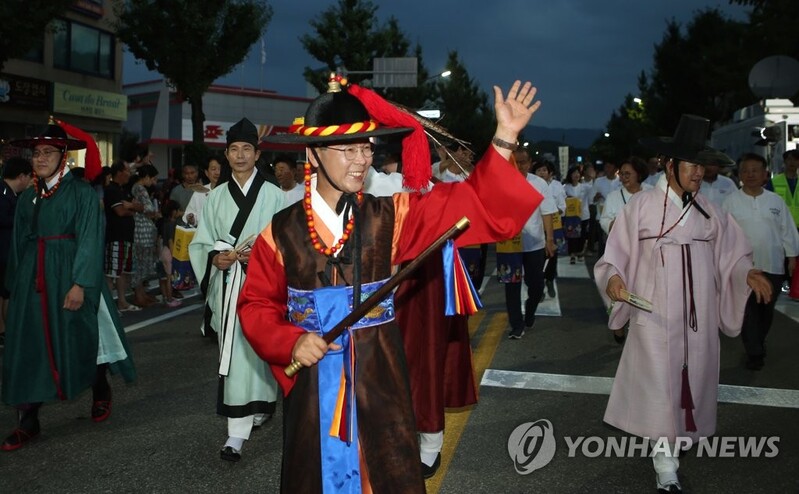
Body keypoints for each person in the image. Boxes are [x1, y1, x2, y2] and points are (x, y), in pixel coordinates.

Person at [237, 75, 542, 493]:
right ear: (313, 154)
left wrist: (504, 138)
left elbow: (471, 204)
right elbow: (255, 306)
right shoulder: (279, 232)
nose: (362, 159)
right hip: (313, 384)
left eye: (367, 147)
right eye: (349, 149)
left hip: (381, 379)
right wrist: (289, 341)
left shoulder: (392, 215)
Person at [594, 114, 772, 494]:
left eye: (701, 166)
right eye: (692, 165)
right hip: (655, 315)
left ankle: (676, 444)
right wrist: (612, 279)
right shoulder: (641, 207)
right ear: (670, 165)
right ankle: (665, 465)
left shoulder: (710, 210)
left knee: (690, 381)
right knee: (660, 386)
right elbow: (614, 255)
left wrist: (746, 273)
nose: (698, 173)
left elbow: (733, 253)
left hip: (699, 319)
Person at [2, 123, 136, 451]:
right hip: (33, 279)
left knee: (77, 339)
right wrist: (12, 286)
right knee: (29, 345)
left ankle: (100, 386)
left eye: (48, 152)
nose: (40, 158)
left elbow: (90, 238)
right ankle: (28, 419)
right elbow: (19, 243)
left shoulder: (81, 193)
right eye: (36, 153)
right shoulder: (28, 196)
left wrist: (80, 284)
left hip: (70, 274)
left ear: (63, 156)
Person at [188, 118, 283, 462]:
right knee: (235, 352)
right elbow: (202, 242)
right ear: (226, 155)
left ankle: (260, 404)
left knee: (260, 348)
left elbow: (286, 243)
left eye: (247, 149)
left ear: (257, 154)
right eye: (234, 150)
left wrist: (261, 255)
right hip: (229, 284)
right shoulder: (214, 198)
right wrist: (216, 258)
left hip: (263, 284)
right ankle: (236, 433)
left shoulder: (275, 195)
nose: (240, 155)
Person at [722, 152, 799, 370]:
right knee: (748, 311)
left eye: (755, 170)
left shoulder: (775, 201)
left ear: (765, 174)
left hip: (773, 265)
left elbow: (788, 231)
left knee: (766, 310)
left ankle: (758, 341)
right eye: (746, 170)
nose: (750, 174)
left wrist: (792, 257)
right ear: (740, 174)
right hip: (744, 268)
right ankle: (754, 352)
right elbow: (724, 235)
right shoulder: (730, 203)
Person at [504, 147, 557, 339]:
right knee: (511, 285)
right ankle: (516, 324)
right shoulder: (502, 182)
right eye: (515, 162)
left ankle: (531, 309)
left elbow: (547, 212)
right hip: (509, 244)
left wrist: (549, 240)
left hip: (534, 243)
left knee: (536, 286)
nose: (519, 166)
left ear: (530, 163)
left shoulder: (539, 183)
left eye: (523, 162)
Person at [0, 157, 33, 345]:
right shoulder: (4, 193)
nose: (29, 182)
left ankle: (5, 330)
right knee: (7, 293)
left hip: (5, 253)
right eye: (29, 177)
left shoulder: (9, 193)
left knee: (5, 293)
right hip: (4, 253)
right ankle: (6, 330)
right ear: (21, 176)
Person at [104, 162, 142, 312]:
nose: (129, 173)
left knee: (123, 272)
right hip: (115, 237)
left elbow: (140, 206)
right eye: (127, 170)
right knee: (111, 273)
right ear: (119, 172)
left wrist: (131, 207)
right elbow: (120, 211)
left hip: (127, 237)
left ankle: (122, 301)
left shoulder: (124, 190)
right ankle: (108, 306)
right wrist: (132, 208)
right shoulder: (111, 190)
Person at [533, 160, 565, 298]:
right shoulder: (530, 184)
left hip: (553, 226)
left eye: (544, 170)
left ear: (550, 172)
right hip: (536, 228)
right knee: (537, 258)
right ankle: (539, 288)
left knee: (552, 256)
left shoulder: (557, 186)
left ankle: (550, 280)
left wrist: (553, 210)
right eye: (539, 170)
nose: (541, 173)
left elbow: (563, 207)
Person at [130, 164, 160, 308]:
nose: (153, 182)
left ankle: (141, 294)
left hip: (142, 229)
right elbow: (149, 208)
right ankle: (138, 295)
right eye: (153, 178)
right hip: (142, 231)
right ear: (146, 177)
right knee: (142, 263)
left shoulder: (136, 188)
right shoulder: (140, 189)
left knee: (141, 263)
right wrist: (153, 212)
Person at [599, 156, 651, 234]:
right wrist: (615, 224)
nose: (623, 177)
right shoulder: (613, 197)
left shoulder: (651, 193)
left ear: (639, 174)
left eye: (627, 174)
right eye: (621, 174)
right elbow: (604, 220)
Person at [183, 155, 223, 228]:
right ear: (207, 173)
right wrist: (191, 218)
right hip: (202, 236)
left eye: (220, 169)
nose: (217, 172)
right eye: (213, 169)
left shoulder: (230, 191)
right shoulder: (199, 191)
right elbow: (189, 213)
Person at [563, 166, 591, 263]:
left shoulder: (585, 187)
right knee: (571, 235)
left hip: (583, 215)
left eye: (578, 173)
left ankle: (580, 253)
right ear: (570, 175)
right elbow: (562, 200)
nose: (576, 175)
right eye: (574, 173)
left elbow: (593, 190)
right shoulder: (565, 187)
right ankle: (572, 254)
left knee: (582, 235)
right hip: (571, 217)